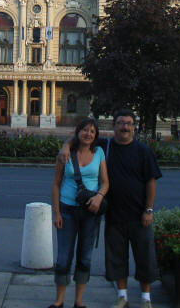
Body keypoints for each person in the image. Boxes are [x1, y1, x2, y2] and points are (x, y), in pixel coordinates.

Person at [60, 109, 162, 308]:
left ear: (134, 127)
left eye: (129, 123)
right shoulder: (105, 147)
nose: (125, 127)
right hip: (113, 213)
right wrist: (65, 145)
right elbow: (82, 138)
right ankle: (122, 297)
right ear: (114, 126)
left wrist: (149, 209)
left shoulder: (143, 151)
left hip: (139, 214)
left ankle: (146, 299)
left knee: (145, 256)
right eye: (121, 123)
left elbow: (151, 182)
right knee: (116, 257)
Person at [49, 117, 109, 308]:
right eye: (85, 130)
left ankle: (79, 301)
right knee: (63, 257)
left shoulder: (99, 152)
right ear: (78, 132)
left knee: (85, 256)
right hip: (67, 210)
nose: (88, 134)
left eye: (92, 131)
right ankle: (59, 301)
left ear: (96, 135)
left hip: (90, 211)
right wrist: (56, 213)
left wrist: (99, 196)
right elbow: (56, 184)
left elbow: (105, 182)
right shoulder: (66, 154)